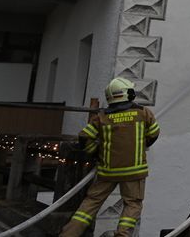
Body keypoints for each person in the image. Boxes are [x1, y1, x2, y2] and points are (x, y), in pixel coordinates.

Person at [61, 77, 160, 237]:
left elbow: (85, 137)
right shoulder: (143, 113)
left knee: (91, 203)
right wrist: (141, 143)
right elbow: (154, 133)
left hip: (108, 171)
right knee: (132, 204)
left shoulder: (101, 117)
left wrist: (95, 151)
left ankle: (69, 234)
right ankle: (122, 235)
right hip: (134, 172)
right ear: (128, 94)